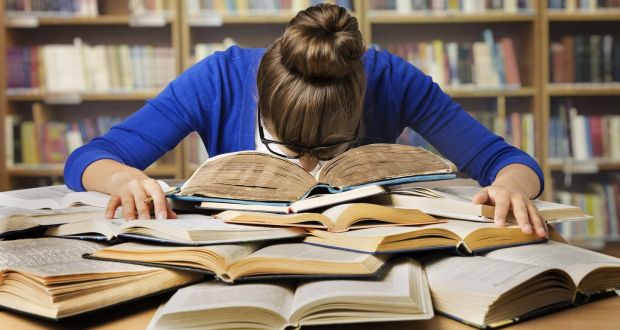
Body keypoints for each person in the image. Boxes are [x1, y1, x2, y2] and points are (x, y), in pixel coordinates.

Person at [64, 4, 547, 238]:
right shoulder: (219, 80)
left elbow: (506, 160)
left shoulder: (391, 79)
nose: (310, 171)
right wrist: (124, 177)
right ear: (261, 102)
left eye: (333, 151)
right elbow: (88, 159)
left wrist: (511, 187)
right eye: (287, 148)